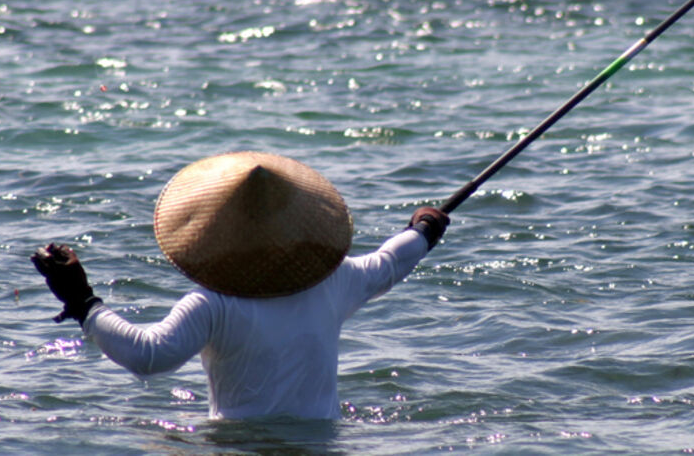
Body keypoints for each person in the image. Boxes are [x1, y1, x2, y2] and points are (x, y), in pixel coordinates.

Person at [31, 151, 448, 420]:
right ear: (297, 225)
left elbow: (149, 356)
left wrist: (83, 301)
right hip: (322, 446)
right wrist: (424, 230)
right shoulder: (335, 281)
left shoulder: (213, 303)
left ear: (215, 232)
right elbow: (390, 262)